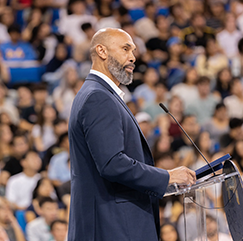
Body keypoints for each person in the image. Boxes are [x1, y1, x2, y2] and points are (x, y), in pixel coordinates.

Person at [68, 28, 196, 240]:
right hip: (111, 226)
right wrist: (167, 176)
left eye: (134, 50)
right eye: (125, 49)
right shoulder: (98, 97)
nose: (133, 57)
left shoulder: (97, 93)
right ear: (101, 51)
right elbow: (112, 164)